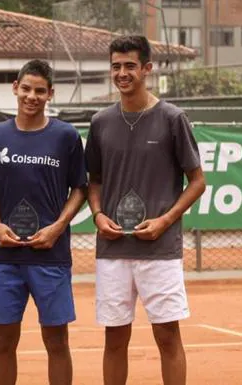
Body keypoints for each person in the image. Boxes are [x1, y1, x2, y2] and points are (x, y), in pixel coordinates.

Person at [84, 35, 206, 385]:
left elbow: (197, 181)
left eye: (130, 66)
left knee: (167, 336)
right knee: (114, 339)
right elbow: (94, 182)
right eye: (116, 66)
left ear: (147, 69)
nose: (123, 73)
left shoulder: (172, 118)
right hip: (113, 249)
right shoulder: (100, 122)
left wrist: (165, 220)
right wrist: (97, 215)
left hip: (160, 249)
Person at [0, 59, 88, 385]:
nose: (32, 96)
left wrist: (58, 227)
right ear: (15, 87)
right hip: (5, 256)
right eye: (26, 88)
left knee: (56, 342)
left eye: (40, 91)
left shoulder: (66, 136)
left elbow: (80, 189)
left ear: (50, 93)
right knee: (3, 344)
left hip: (51, 256)